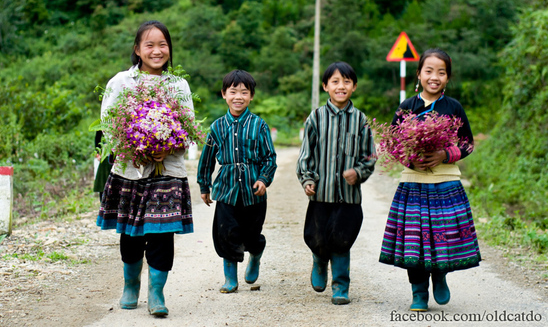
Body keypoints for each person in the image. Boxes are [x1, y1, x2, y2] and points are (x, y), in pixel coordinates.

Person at [96, 20, 194, 317]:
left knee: (163, 233)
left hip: (168, 171)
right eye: (149, 45)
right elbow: (108, 124)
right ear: (137, 50)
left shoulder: (178, 84)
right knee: (132, 234)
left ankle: (156, 293)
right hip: (130, 169)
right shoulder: (120, 82)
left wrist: (170, 145)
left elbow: (188, 126)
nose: (157, 50)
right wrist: (133, 147)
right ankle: (130, 285)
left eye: (162, 44)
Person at [378, 48, 480, 312]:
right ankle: (418, 293)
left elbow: (468, 144)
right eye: (429, 71)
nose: (434, 77)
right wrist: (409, 159)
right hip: (413, 183)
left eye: (441, 72)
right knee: (414, 241)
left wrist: (444, 154)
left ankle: (440, 275)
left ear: (448, 78)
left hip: (446, 184)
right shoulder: (407, 107)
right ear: (419, 74)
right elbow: (391, 143)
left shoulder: (453, 107)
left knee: (442, 236)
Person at [296, 61, 376, 305]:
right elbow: (306, 154)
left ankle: (341, 286)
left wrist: (359, 172)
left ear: (354, 87)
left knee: (342, 241)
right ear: (325, 86)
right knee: (317, 238)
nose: (341, 86)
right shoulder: (316, 118)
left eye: (347, 81)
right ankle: (319, 261)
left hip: (348, 197)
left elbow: (370, 156)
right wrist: (307, 179)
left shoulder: (361, 120)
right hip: (320, 195)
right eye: (335, 81)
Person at [197, 70, 277, 293]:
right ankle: (230, 279)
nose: (238, 96)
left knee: (251, 236)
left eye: (244, 92)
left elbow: (270, 157)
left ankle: (256, 254)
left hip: (254, 192)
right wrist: (204, 185)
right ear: (224, 94)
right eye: (233, 91)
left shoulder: (259, 125)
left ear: (251, 96)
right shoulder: (216, 127)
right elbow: (206, 159)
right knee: (226, 233)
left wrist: (263, 179)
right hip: (226, 190)